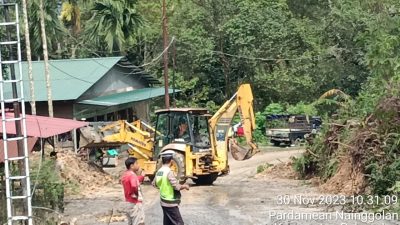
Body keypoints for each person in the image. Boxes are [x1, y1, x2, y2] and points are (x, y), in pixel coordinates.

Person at [152, 151, 190, 225]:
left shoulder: (159, 171)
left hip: (163, 201)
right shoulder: (169, 172)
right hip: (170, 202)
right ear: (171, 161)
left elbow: (154, 184)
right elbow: (176, 186)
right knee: (179, 223)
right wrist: (184, 186)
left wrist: (163, 186)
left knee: (168, 222)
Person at [120, 157, 145, 225]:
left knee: (131, 222)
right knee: (139, 222)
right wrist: (136, 195)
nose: (138, 165)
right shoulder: (132, 175)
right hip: (135, 203)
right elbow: (134, 185)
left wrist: (141, 176)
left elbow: (134, 181)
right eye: (136, 163)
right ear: (131, 166)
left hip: (128, 202)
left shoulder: (126, 174)